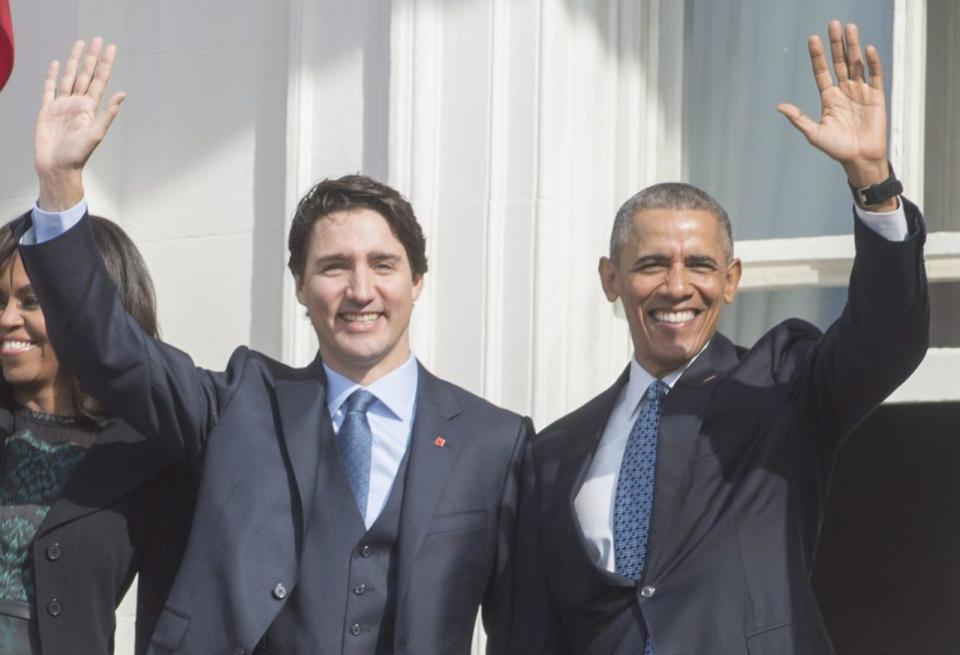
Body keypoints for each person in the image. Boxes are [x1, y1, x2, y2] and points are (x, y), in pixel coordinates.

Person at [19, 38, 532, 654]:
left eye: (384, 265)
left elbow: (521, 629)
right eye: (335, 267)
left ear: (417, 280)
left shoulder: (493, 441)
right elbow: (108, 350)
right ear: (300, 286)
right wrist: (60, 185)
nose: (360, 290)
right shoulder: (241, 404)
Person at [510, 21, 929, 654]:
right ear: (611, 280)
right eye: (652, 265)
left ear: (731, 280)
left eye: (700, 265)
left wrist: (873, 182)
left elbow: (887, 337)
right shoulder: (554, 452)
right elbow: (532, 633)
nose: (678, 286)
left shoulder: (782, 387)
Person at [0, 215, 194, 655]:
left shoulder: (147, 457)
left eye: (31, 302)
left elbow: (168, 628)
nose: (8, 318)